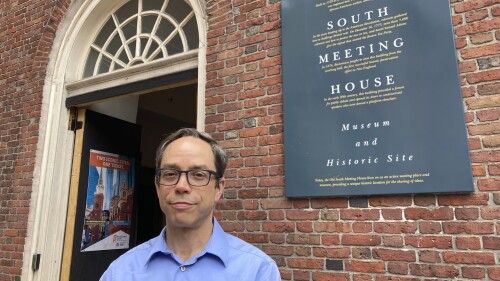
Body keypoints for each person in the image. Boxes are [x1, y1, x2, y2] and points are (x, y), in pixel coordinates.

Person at [100, 128, 281, 281]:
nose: (181, 186)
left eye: (198, 175)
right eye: (170, 174)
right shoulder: (120, 272)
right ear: (157, 187)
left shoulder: (258, 271)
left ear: (219, 188)